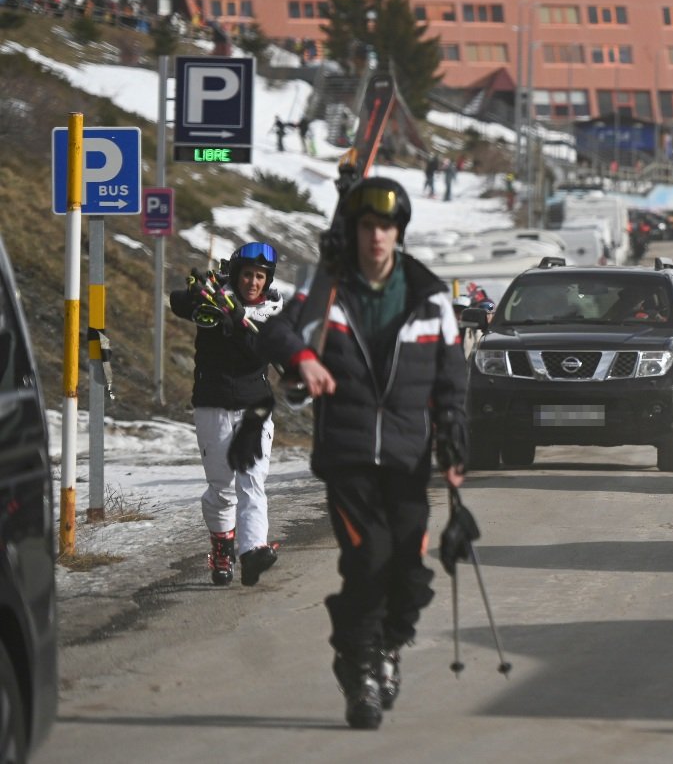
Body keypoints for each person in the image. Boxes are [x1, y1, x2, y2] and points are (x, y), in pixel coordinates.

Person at [260, 177, 468, 731]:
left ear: (399, 232)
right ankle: (360, 667)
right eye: (367, 226)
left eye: (386, 226)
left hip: (408, 456)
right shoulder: (326, 287)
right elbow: (277, 330)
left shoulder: (429, 295)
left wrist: (453, 437)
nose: (377, 236)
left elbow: (451, 376)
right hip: (347, 451)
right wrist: (302, 357)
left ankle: (389, 646)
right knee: (368, 557)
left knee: (410, 570)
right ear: (353, 231)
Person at [167, 242, 286, 587]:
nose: (253, 282)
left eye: (260, 277)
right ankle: (222, 549)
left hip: (255, 407)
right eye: (247, 275)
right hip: (212, 403)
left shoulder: (273, 312)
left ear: (268, 281)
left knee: (252, 480)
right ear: (237, 274)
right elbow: (178, 303)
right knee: (222, 488)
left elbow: (259, 349)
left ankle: (253, 551)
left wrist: (237, 320)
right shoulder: (214, 300)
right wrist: (198, 294)